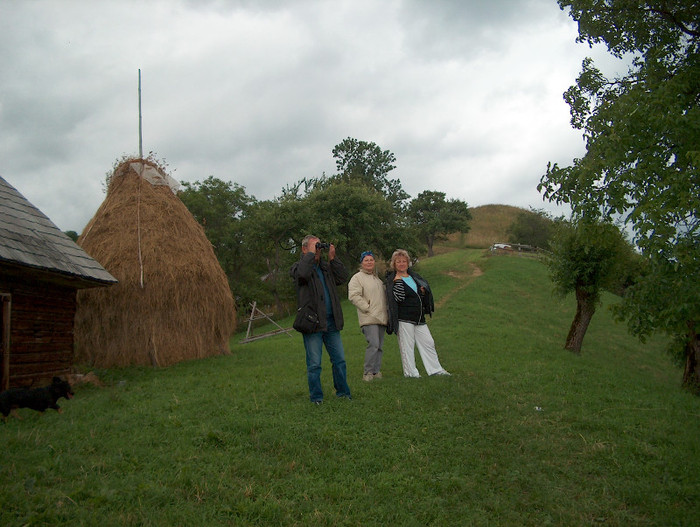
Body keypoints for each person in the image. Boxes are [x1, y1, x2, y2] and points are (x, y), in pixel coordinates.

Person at [290, 235, 352, 404]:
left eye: (319, 246)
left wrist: (333, 258)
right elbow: (303, 274)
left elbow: (342, 278)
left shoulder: (325, 268)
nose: (318, 250)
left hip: (331, 322)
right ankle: (316, 398)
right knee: (315, 364)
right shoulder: (298, 268)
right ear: (304, 249)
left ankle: (343, 393)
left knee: (339, 360)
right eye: (314, 246)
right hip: (312, 323)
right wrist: (310, 255)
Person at [385, 249, 450, 378]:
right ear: (394, 264)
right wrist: (398, 282)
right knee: (407, 347)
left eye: (404, 261)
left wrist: (422, 292)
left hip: (419, 317)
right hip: (404, 318)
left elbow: (420, 294)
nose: (402, 264)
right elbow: (399, 298)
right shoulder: (393, 280)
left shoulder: (414, 277)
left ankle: (435, 370)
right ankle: (411, 373)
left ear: (408, 263)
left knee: (429, 342)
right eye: (399, 262)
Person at [348, 251, 388, 382]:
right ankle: (368, 373)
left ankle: (376, 371)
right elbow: (354, 295)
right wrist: (367, 307)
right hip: (369, 318)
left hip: (381, 318)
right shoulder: (357, 278)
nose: (369, 262)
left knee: (380, 346)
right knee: (374, 344)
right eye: (366, 260)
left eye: (371, 260)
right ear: (362, 263)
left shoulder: (378, 279)